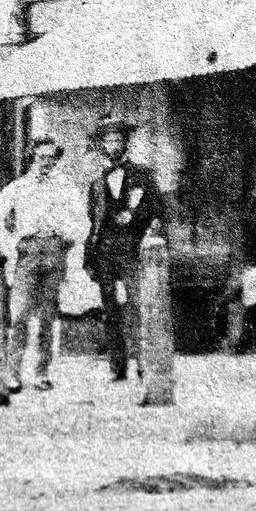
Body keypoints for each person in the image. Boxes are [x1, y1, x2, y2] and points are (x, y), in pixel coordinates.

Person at [0, 132, 89, 392]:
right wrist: (11, 246)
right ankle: (13, 374)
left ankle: (42, 374)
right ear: (33, 157)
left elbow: (82, 221)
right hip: (28, 252)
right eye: (41, 157)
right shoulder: (19, 187)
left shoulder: (66, 187)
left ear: (56, 159)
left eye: (51, 157)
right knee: (19, 315)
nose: (46, 162)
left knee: (48, 316)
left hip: (55, 251)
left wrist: (67, 238)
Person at [83, 114, 168, 383]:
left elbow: (158, 209)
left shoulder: (143, 174)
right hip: (105, 251)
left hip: (132, 248)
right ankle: (117, 366)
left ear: (126, 143)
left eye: (118, 140)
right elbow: (92, 221)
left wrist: (134, 215)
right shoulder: (97, 181)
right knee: (110, 309)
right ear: (102, 145)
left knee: (137, 305)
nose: (113, 145)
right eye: (108, 141)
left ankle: (143, 363)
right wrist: (90, 256)